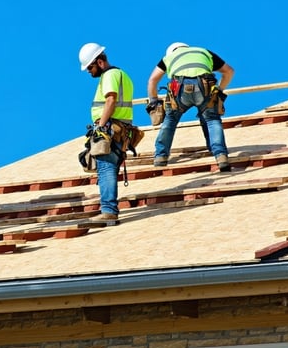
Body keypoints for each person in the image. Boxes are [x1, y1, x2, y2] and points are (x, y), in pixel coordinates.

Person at [146, 42, 235, 172]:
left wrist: (154, 101)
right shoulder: (204, 51)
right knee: (212, 119)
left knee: (170, 120)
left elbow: (152, 80)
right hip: (204, 85)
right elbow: (229, 71)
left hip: (179, 88)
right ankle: (221, 156)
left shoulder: (169, 58)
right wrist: (219, 91)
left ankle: (161, 157)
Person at [78, 42, 134, 224]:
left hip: (111, 128)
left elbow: (110, 100)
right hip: (120, 129)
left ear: (100, 62)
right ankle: (108, 208)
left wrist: (101, 127)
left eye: (90, 67)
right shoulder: (122, 74)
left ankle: (108, 210)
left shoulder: (109, 75)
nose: (88, 71)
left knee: (106, 169)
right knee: (107, 168)